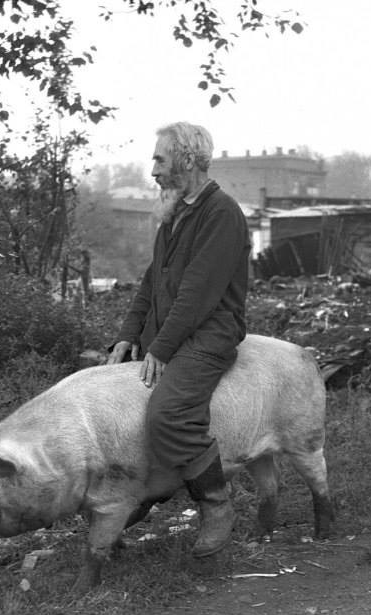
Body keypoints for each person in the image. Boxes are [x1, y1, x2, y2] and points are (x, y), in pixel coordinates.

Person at [106, 121, 250, 557]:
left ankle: (216, 503)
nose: (152, 170)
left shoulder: (221, 212)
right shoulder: (174, 213)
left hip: (209, 332)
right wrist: (128, 336)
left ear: (187, 159)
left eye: (159, 159)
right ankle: (149, 491)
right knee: (121, 407)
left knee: (167, 415)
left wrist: (162, 349)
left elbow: (197, 292)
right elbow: (152, 283)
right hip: (170, 330)